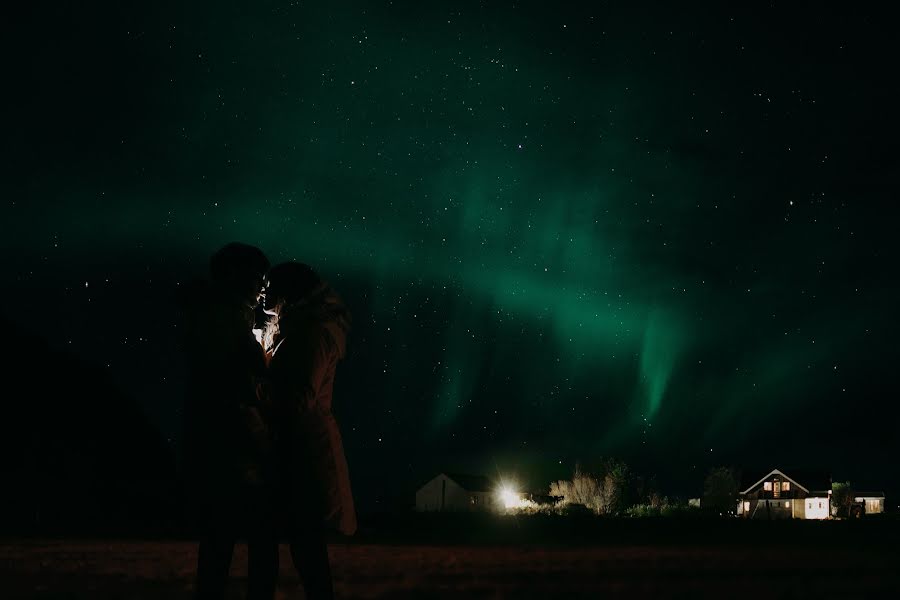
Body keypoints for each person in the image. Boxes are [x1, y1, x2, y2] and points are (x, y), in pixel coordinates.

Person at [177, 242, 277, 600]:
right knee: (256, 535)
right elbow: (238, 380)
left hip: (220, 440)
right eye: (258, 277)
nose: (263, 287)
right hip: (232, 443)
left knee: (219, 539)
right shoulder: (224, 317)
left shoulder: (218, 313)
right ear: (236, 275)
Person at [263, 262, 356, 600]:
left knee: (307, 551)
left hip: (303, 455)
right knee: (305, 551)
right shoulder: (300, 327)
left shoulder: (311, 332)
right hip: (297, 450)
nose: (264, 293)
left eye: (270, 286)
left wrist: (257, 388)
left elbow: (299, 397)